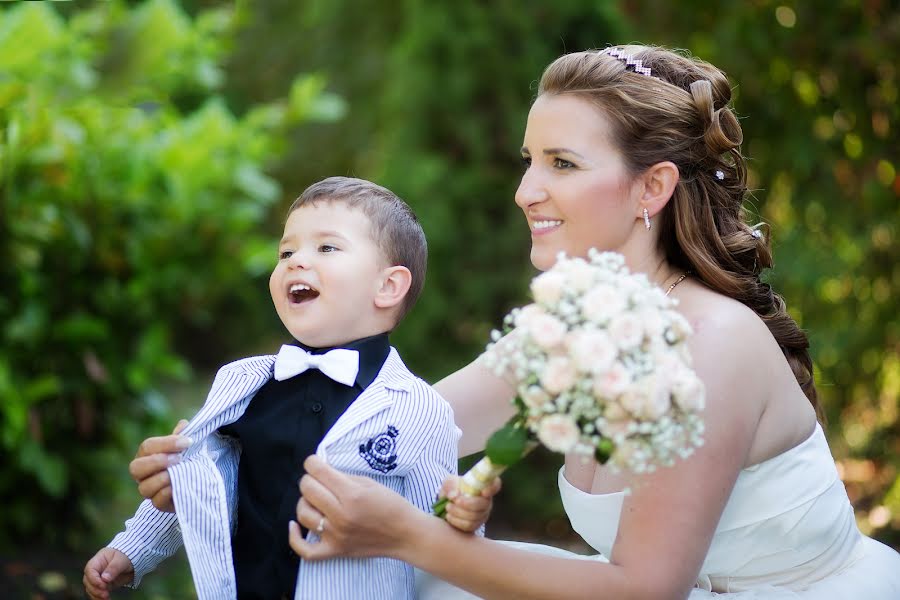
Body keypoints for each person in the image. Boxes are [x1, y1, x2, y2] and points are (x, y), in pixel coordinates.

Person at [283, 46, 900, 599]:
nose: (526, 191)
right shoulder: (566, 328)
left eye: (563, 164)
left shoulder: (715, 343)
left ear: (650, 188)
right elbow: (387, 431)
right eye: (530, 161)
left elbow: (646, 589)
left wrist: (414, 538)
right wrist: (213, 455)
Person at [82, 176, 462, 600]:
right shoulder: (241, 384)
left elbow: (446, 545)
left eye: (327, 247)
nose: (296, 260)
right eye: (286, 251)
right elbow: (195, 479)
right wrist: (131, 550)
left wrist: (462, 517)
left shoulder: (420, 410)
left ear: (388, 286)